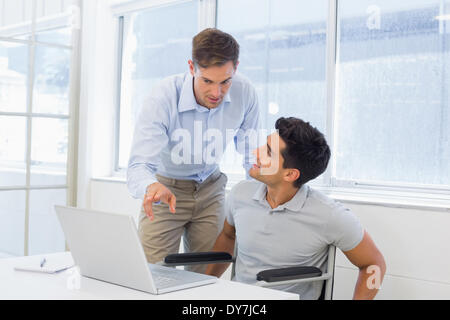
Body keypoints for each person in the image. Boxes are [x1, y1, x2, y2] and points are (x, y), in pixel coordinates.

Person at [205, 117, 386, 299]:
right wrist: (204, 288)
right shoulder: (240, 194)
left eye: (268, 152)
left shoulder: (329, 215)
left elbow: (375, 264)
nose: (256, 152)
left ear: (291, 174)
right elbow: (228, 236)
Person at [127, 28, 261, 274]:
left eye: (225, 82)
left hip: (211, 189)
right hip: (165, 191)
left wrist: (260, 200)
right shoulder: (163, 96)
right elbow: (139, 166)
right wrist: (150, 186)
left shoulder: (246, 93)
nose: (216, 93)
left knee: (206, 276)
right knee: (151, 275)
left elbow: (252, 156)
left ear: (236, 68)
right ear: (192, 67)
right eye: (207, 81)